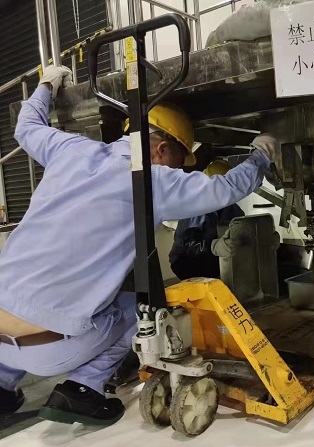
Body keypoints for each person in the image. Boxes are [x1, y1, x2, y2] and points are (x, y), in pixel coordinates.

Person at [0, 65, 278, 427]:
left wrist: (46, 86)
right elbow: (224, 189)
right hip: (50, 352)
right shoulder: (151, 180)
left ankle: (3, 386)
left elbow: (26, 127)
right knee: (146, 309)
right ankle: (82, 389)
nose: (181, 172)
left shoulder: (70, 149)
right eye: (180, 162)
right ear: (162, 150)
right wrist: (261, 154)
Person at [169, 159, 244, 280]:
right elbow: (190, 245)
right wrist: (214, 246)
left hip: (215, 260)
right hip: (186, 261)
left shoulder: (233, 209)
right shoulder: (197, 207)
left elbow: (242, 231)